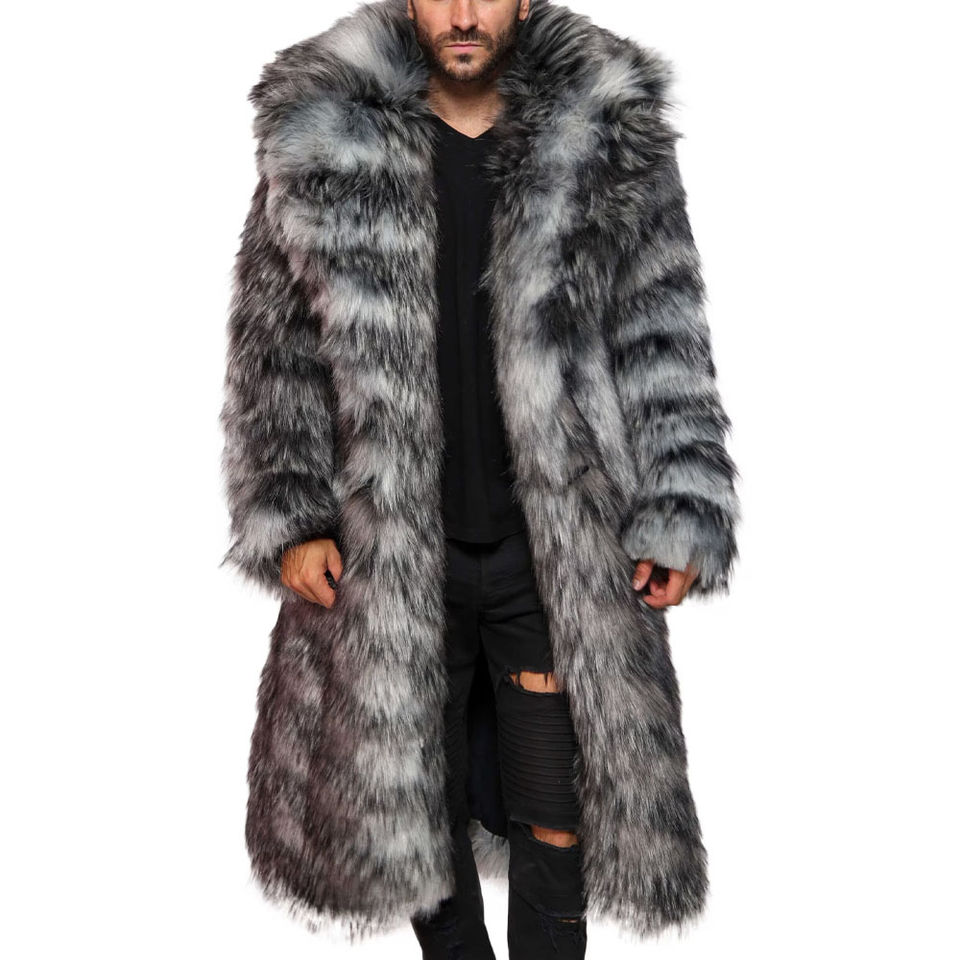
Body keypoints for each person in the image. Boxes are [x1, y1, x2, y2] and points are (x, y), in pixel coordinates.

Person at [219, 0, 740, 955]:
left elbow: (663, 332)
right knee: (414, 813)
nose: (463, 16)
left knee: (560, 810)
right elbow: (273, 350)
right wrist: (290, 519)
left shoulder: (605, 129)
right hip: (383, 552)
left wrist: (682, 506)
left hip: (561, 551)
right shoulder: (323, 133)